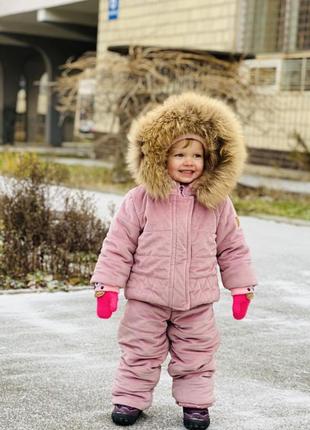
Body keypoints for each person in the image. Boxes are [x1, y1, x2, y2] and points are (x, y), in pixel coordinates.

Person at [90, 92, 257, 430]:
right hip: (146, 299)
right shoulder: (140, 200)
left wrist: (241, 286)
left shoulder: (218, 203)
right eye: (179, 153)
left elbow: (232, 247)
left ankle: (195, 405)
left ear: (210, 160)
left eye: (197, 154)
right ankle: (130, 399)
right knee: (140, 352)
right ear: (159, 157)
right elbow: (119, 244)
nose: (188, 161)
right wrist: (108, 285)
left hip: (195, 301)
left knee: (197, 354)